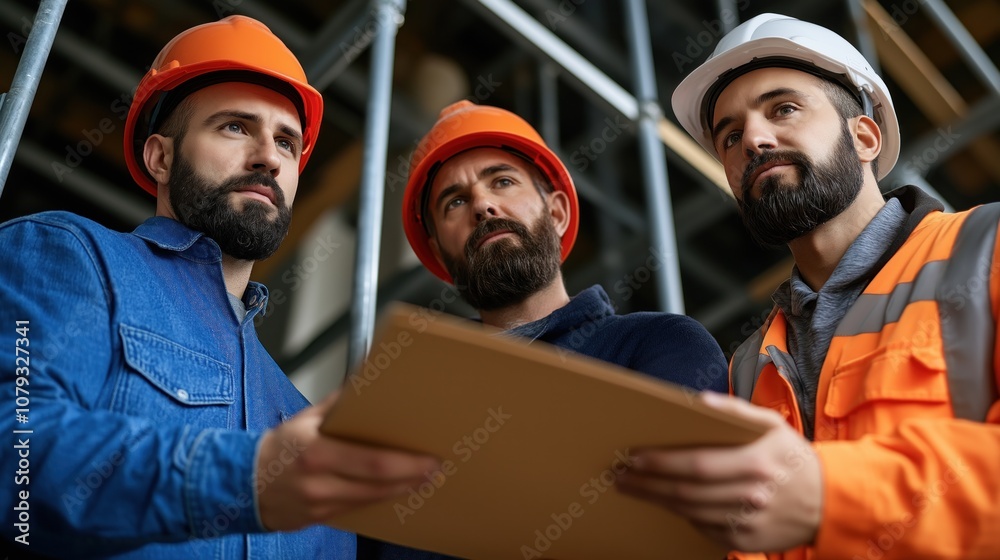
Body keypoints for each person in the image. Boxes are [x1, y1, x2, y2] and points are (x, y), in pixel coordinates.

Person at [0, 16, 440, 559]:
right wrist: (243, 478)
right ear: (160, 157)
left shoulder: (299, 418)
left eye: (287, 141)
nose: (269, 157)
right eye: (235, 126)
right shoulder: (67, 255)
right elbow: (13, 460)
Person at [615, 12, 1000, 559]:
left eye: (784, 109)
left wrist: (833, 496)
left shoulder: (987, 247)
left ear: (864, 136)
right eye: (729, 136)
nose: (753, 139)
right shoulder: (749, 365)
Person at [355, 101, 730, 559]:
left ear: (556, 213)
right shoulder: (407, 419)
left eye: (503, 181)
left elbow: (671, 528)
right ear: (438, 253)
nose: (483, 205)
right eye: (454, 201)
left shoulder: (661, 347)